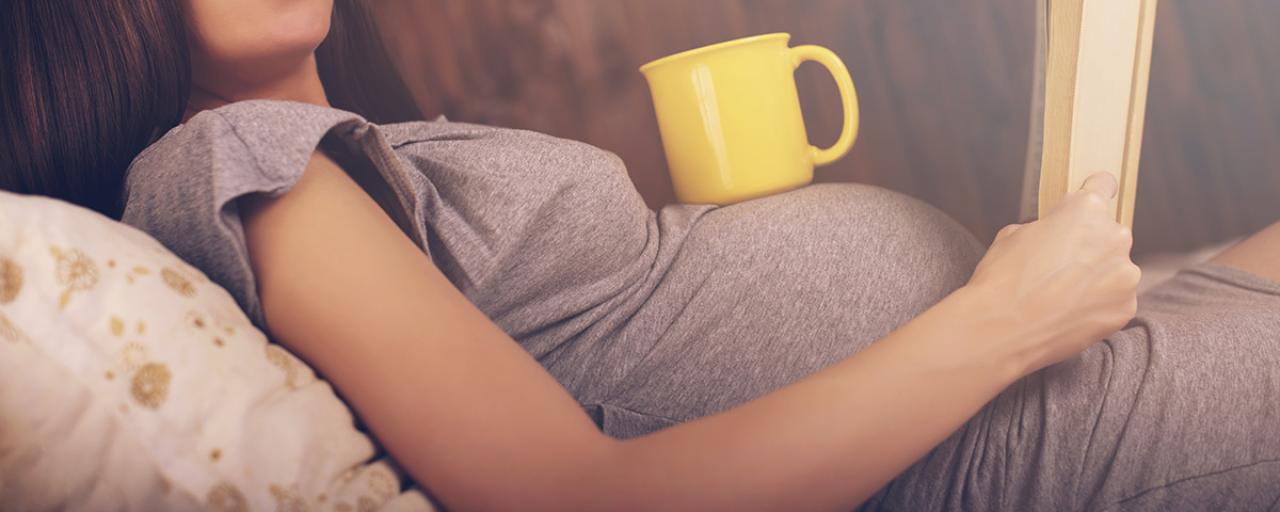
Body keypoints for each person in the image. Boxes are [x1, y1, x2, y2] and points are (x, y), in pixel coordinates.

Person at [2, 1, 1278, 510]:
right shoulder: (235, 164)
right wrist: (1002, 316)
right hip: (1015, 450)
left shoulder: (339, 148)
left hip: (1043, 392)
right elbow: (576, 498)